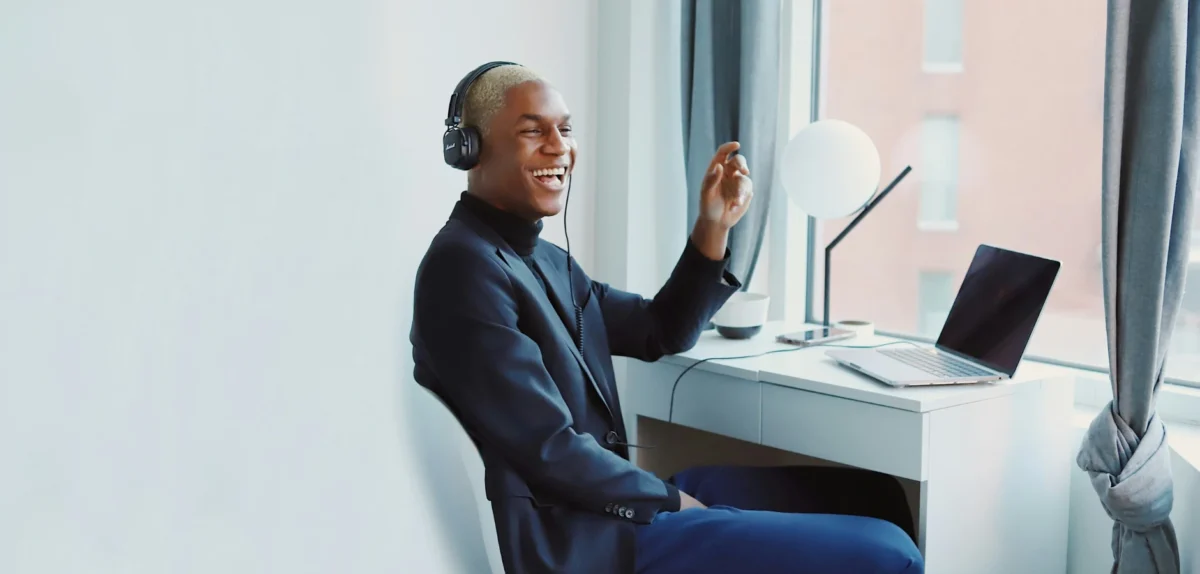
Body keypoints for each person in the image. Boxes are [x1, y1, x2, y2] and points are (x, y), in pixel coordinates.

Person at [410, 62, 924, 574]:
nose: (559, 147)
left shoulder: (543, 259)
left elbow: (660, 329)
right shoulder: (464, 269)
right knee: (890, 553)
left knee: (874, 492)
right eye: (531, 131)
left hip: (602, 498)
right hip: (582, 537)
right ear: (469, 149)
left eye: (564, 129)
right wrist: (673, 502)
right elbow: (550, 449)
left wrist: (712, 227)